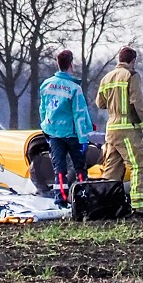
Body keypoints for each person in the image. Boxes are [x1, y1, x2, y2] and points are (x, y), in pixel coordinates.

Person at [96, 46, 143, 215]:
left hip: (111, 130)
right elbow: (137, 103)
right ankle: (139, 206)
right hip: (128, 130)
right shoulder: (132, 75)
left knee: (111, 169)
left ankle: (106, 205)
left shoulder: (106, 78)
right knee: (139, 166)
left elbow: (100, 103)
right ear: (133, 61)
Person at [39, 49, 94, 206]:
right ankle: (85, 197)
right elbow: (79, 115)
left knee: (59, 169)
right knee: (80, 168)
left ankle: (61, 199)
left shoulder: (46, 85)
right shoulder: (74, 88)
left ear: (58, 64)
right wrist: (84, 138)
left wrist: (45, 127)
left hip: (53, 133)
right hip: (72, 134)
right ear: (71, 65)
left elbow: (42, 110)